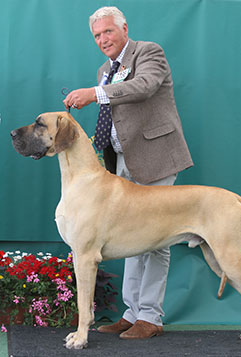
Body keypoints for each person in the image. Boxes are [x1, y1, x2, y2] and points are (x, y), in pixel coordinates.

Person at [63, 6, 193, 339]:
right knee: (131, 237)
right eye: (96, 36)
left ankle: (150, 316)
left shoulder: (149, 53)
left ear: (124, 28)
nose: (102, 39)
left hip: (155, 157)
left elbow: (145, 87)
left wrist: (95, 94)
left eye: (107, 31)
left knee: (155, 240)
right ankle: (132, 312)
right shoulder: (103, 70)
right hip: (120, 162)